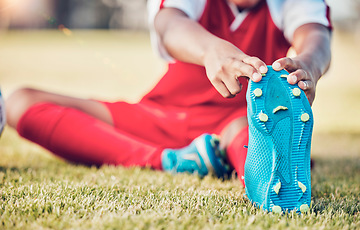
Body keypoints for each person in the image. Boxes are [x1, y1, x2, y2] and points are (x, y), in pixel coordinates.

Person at [4, 0, 331, 212]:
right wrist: (210, 51)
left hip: (236, 120)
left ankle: (272, 178)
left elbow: (315, 35)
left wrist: (307, 66)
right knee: (21, 102)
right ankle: (174, 161)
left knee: (245, 135)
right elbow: (169, 24)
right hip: (163, 113)